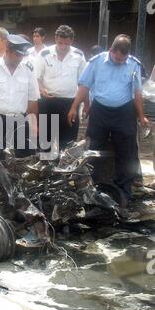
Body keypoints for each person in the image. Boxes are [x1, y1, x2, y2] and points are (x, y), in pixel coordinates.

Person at [68, 34, 149, 202]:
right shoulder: (96, 62)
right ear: (111, 50)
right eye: (116, 57)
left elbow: (137, 93)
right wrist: (74, 107)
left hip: (124, 112)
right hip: (100, 111)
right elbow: (84, 86)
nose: (119, 61)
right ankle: (92, 188)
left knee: (125, 152)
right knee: (92, 149)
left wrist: (141, 116)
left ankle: (123, 191)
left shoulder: (133, 64)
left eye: (122, 59)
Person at [0, 34, 40, 160]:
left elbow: (33, 99)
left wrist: (34, 123)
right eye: (17, 55)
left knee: (25, 157)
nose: (20, 58)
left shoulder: (28, 69)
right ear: (7, 51)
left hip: (20, 119)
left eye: (22, 55)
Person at [36, 25, 87, 151]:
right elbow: (36, 78)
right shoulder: (44, 54)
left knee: (67, 142)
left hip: (70, 104)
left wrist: (80, 105)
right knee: (47, 142)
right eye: (60, 43)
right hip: (48, 103)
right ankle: (46, 169)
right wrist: (42, 89)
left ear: (71, 41)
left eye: (66, 43)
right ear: (55, 39)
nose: (63, 47)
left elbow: (83, 83)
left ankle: (65, 170)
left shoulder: (78, 55)